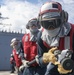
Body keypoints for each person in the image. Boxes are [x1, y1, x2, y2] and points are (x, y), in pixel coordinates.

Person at [36, 1, 74, 75]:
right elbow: (39, 58)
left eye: (55, 22)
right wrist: (44, 59)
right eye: (47, 24)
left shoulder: (72, 31)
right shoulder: (41, 35)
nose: (51, 28)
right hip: (54, 64)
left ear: (63, 18)